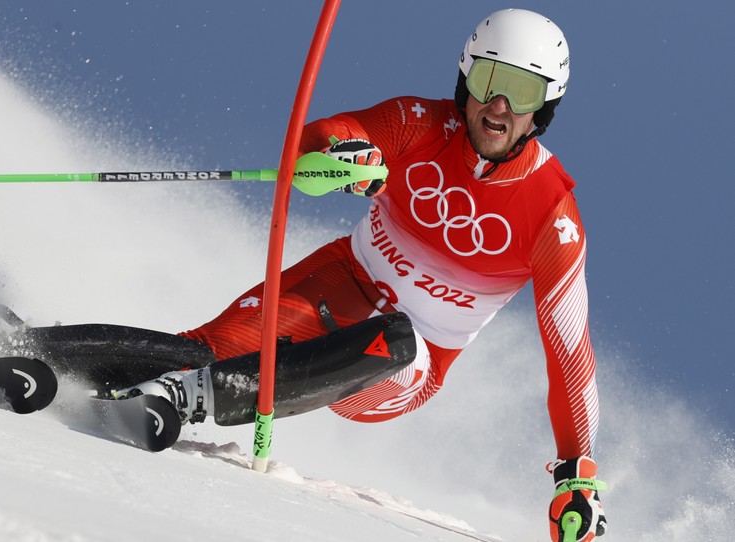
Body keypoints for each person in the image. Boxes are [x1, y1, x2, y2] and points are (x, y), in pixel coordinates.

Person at [126, 8, 606, 541]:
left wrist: (576, 476)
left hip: (404, 366)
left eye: (523, 92)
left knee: (399, 345)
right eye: (491, 80)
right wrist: (345, 153)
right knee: (205, 347)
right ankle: (60, 358)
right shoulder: (420, 122)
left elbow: (569, 351)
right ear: (465, 79)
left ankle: (196, 396)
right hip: (338, 282)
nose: (500, 106)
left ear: (544, 109)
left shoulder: (551, 215)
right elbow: (326, 135)